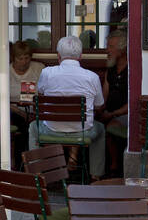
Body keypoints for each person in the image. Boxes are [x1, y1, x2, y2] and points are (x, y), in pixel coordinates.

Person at [30, 35, 105, 180]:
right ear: (81, 56)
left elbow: (40, 95)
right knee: (100, 129)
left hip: (52, 129)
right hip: (82, 132)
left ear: (58, 56)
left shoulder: (47, 73)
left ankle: (37, 173)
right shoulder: (92, 77)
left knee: (33, 127)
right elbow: (99, 105)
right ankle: (96, 175)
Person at [8, 41, 45, 165]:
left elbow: (47, 91)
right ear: (13, 58)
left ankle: (35, 163)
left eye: (27, 58)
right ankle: (22, 163)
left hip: (37, 111)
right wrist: (22, 113)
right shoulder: (7, 71)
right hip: (16, 111)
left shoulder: (38, 68)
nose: (24, 62)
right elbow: (1, 100)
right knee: (22, 125)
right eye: (20, 58)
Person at [99, 28, 129, 178]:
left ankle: (114, 167)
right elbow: (104, 96)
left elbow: (133, 104)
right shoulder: (110, 69)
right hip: (110, 113)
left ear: (123, 49)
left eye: (111, 46)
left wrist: (112, 114)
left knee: (112, 125)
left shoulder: (133, 70)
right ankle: (96, 171)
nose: (107, 50)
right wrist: (100, 111)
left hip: (126, 115)